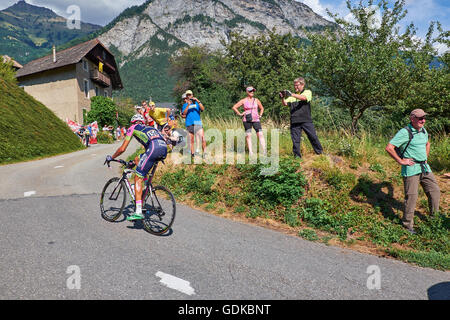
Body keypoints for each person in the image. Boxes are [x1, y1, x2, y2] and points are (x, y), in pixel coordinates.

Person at [385, 109, 441, 234]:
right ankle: (407, 225)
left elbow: (427, 143)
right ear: (412, 118)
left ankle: (434, 220)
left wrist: (425, 158)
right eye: (420, 118)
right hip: (411, 169)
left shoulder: (423, 130)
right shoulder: (405, 132)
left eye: (424, 118)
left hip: (424, 168)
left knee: (435, 192)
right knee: (412, 197)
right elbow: (389, 147)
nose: (423, 120)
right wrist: (401, 161)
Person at [106, 114, 168, 221]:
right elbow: (146, 152)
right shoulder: (150, 128)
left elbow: (122, 149)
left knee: (137, 178)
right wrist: (134, 163)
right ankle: (143, 188)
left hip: (154, 148)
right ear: (142, 122)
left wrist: (112, 157)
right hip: (163, 148)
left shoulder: (133, 128)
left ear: (133, 123)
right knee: (137, 158)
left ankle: (138, 212)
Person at [280, 77, 323, 158]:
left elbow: (304, 98)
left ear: (303, 85)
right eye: (294, 85)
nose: (295, 87)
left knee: (313, 136)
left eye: (297, 85)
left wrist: (291, 94)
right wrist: (282, 97)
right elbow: (285, 104)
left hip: (306, 120)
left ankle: (320, 153)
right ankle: (297, 157)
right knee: (295, 140)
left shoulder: (307, 92)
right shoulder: (292, 97)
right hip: (295, 120)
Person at [232, 86, 266, 156]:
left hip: (256, 120)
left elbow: (262, 108)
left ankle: (264, 151)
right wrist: (240, 114)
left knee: (260, 134)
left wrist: (260, 115)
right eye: (250, 91)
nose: (252, 92)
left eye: (253, 91)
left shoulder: (256, 100)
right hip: (247, 120)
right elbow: (234, 107)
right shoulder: (243, 100)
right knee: (248, 135)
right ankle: (251, 152)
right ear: (247, 92)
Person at [182, 90, 206, 158]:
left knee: (203, 138)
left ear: (192, 95)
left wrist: (198, 100)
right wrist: (188, 105)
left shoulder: (197, 103)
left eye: (190, 95)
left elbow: (203, 109)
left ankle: (204, 153)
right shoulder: (185, 105)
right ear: (186, 97)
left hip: (198, 123)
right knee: (191, 140)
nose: (189, 96)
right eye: (187, 95)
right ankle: (192, 154)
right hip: (189, 123)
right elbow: (184, 113)